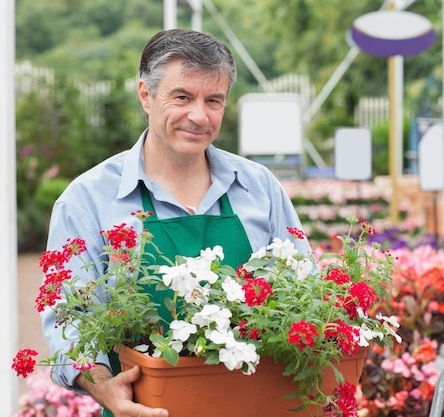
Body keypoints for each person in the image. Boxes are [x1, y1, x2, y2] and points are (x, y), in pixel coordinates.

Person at [41, 29, 311, 417]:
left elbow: (303, 289)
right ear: (146, 95)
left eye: (213, 100)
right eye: (182, 97)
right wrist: (105, 389)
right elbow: (70, 319)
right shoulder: (88, 200)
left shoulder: (259, 188)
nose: (199, 116)